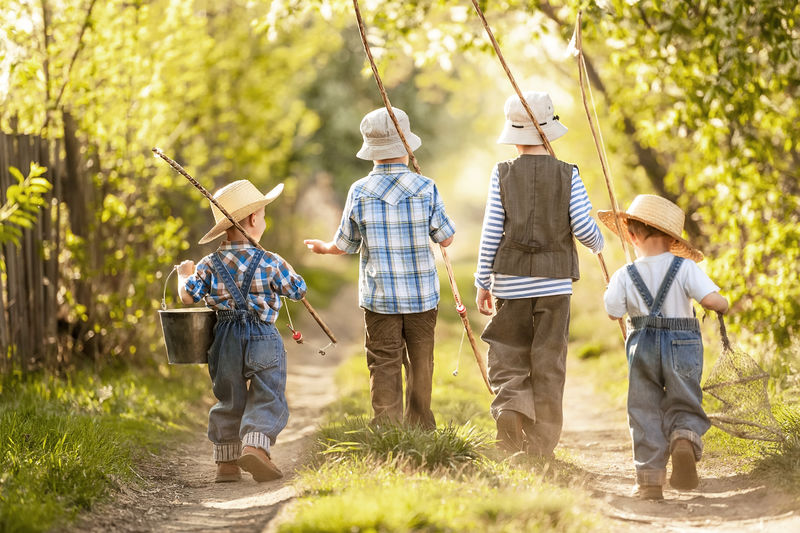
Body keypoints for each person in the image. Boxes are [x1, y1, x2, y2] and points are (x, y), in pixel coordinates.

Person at [304, 106, 455, 430]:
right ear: (407, 146)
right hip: (421, 298)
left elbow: (344, 245)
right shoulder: (425, 187)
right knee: (421, 362)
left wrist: (323, 248)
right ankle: (420, 426)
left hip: (380, 299)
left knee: (384, 361)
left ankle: (387, 426)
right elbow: (446, 238)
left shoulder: (360, 191)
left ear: (370, 150)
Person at [475, 91, 604, 457]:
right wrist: (598, 243)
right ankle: (541, 445)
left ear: (515, 136)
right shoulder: (568, 175)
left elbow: (491, 231)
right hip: (555, 285)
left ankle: (511, 411)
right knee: (549, 360)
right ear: (550, 132)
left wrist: (483, 280)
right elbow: (582, 225)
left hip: (511, 283)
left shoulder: (502, 173)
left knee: (507, 351)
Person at [177, 179, 307, 483]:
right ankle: (255, 447)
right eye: (262, 214)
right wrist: (286, 269)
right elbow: (298, 290)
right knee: (267, 393)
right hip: (263, 334)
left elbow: (187, 297)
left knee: (229, 396)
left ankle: (227, 463)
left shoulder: (209, 263)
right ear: (252, 220)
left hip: (224, 338)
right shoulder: (271, 260)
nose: (263, 219)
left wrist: (184, 274)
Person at [601, 194, 728, 500]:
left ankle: (649, 482)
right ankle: (683, 438)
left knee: (644, 409)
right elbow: (712, 301)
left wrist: (613, 288)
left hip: (642, 346)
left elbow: (613, 311)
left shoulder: (624, 274)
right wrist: (724, 304)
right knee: (684, 399)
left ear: (631, 236)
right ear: (673, 240)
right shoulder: (685, 268)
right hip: (681, 345)